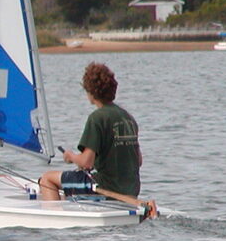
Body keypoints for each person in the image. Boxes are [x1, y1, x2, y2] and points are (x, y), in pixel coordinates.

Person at [39, 62, 147, 206]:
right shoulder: (128, 118)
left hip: (104, 189)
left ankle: (55, 220)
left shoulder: (97, 118)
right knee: (70, 187)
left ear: (90, 92)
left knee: (47, 179)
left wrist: (71, 157)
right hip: (130, 191)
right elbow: (138, 161)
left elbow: (86, 162)